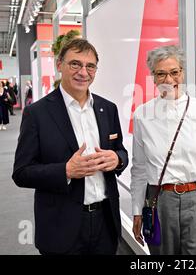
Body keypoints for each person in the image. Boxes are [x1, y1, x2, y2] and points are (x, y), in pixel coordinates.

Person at [12, 39, 128, 255]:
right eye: (75, 64)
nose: (83, 72)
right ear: (59, 65)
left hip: (105, 222)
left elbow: (121, 152)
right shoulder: (37, 114)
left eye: (90, 66)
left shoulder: (107, 108)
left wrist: (117, 159)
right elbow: (21, 173)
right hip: (61, 226)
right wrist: (65, 171)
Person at [130, 45, 196, 255]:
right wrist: (137, 211)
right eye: (161, 73)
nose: (169, 79)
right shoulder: (142, 115)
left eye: (174, 72)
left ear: (182, 72)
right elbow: (138, 170)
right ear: (153, 77)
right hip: (160, 200)